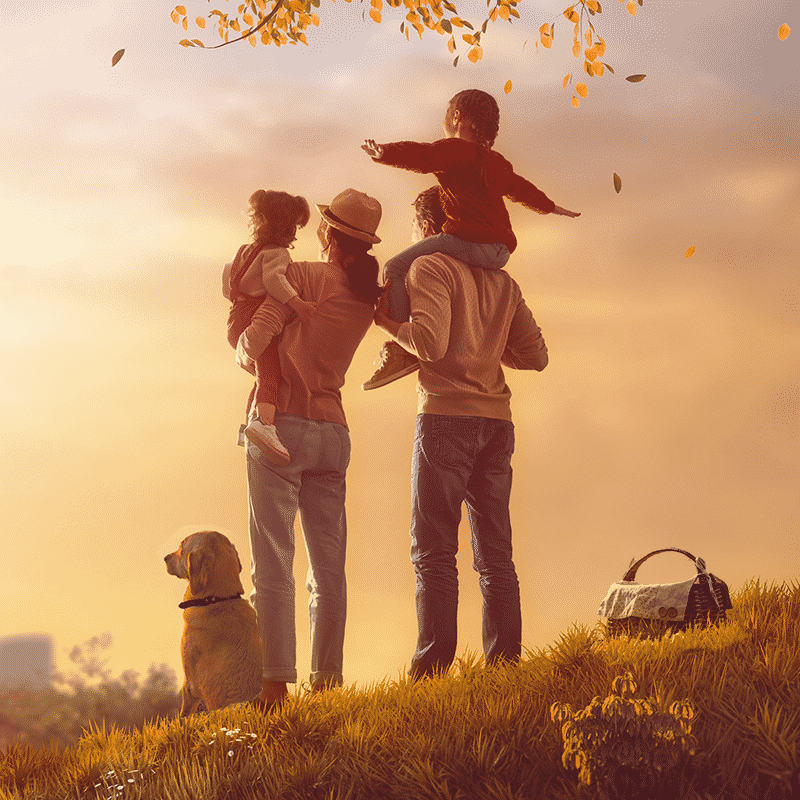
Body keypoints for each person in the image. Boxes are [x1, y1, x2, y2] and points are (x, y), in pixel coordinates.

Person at [373, 185, 549, 680]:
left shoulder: (428, 267)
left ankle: (431, 673)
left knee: (433, 551)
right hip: (497, 421)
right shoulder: (503, 283)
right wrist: (487, 348)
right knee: (495, 554)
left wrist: (385, 323)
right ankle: (505, 669)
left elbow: (429, 343)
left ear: (428, 228)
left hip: (446, 418)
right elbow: (536, 356)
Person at [231, 188, 383, 709]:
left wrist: (241, 354)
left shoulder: (306, 276)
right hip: (333, 432)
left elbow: (253, 340)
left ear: (328, 234)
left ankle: (275, 685)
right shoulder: (367, 296)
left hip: (283, 429)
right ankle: (328, 681)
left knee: (273, 559)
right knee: (328, 565)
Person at [361, 88, 578, 390]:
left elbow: (423, 156)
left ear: (457, 117)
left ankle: (400, 351)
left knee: (395, 267)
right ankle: (403, 346)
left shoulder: (456, 151)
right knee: (420, 259)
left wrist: (385, 153)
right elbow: (521, 189)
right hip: (499, 251)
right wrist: (550, 207)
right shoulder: (496, 163)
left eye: (446, 115)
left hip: (470, 241)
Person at [224, 189, 317, 465]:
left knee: (261, 376)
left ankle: (250, 423)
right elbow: (276, 282)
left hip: (236, 317)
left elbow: (227, 279)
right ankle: (264, 424)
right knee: (271, 375)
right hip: (255, 317)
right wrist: (298, 304)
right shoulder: (275, 254)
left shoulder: (243, 252)